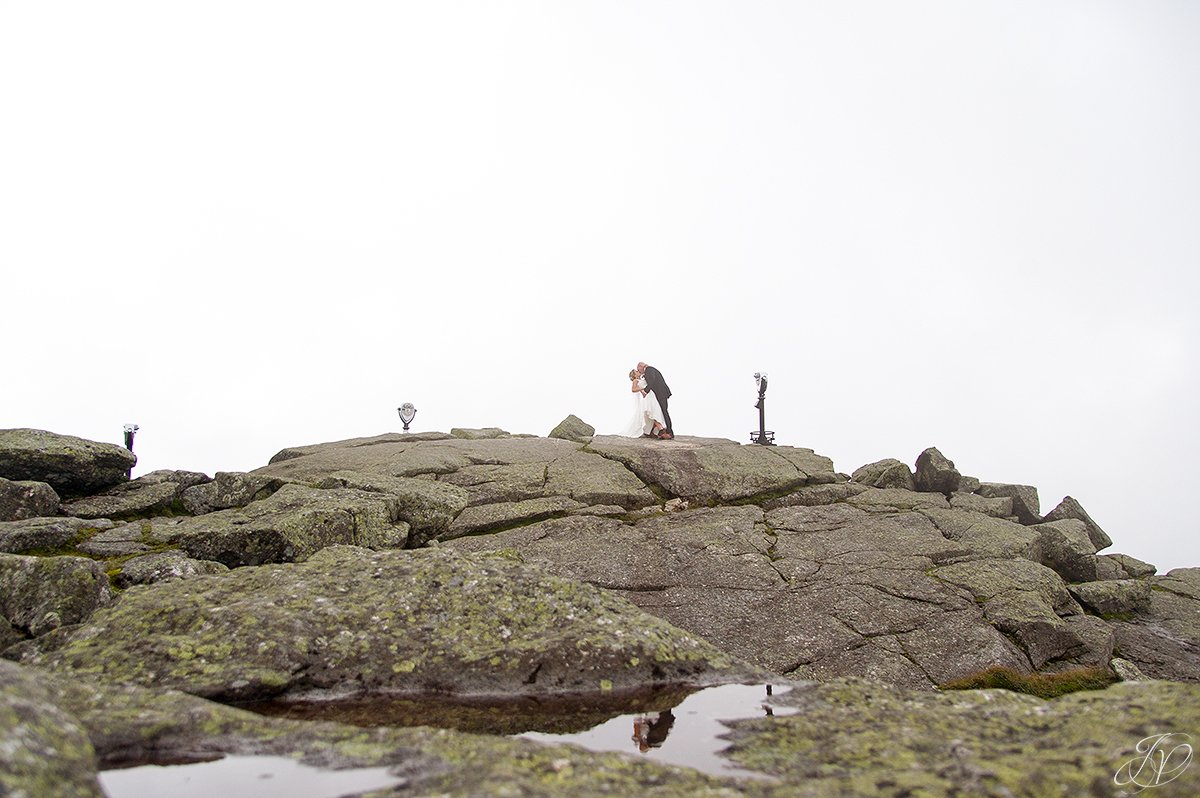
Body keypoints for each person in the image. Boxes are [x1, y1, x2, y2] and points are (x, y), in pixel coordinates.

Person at [622, 369, 666, 438]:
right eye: (636, 372)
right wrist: (642, 389)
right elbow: (633, 389)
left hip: (652, 396)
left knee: (655, 412)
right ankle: (660, 429)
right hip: (648, 398)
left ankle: (650, 431)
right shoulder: (635, 380)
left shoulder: (642, 378)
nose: (638, 372)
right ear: (634, 375)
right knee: (652, 412)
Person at [637, 362, 673, 439]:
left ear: (641, 366)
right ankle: (654, 431)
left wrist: (645, 391)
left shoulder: (649, 370)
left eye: (638, 369)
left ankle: (669, 432)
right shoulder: (650, 370)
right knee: (660, 412)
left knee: (664, 412)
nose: (639, 371)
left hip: (661, 394)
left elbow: (652, 381)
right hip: (660, 394)